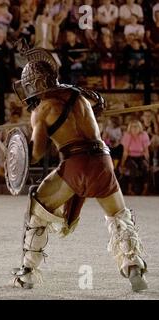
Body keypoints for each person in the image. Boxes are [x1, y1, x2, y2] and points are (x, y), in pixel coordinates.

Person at [9, 47, 147, 292]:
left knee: (38, 208)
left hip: (75, 164)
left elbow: (37, 152)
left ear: (36, 84)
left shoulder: (42, 110)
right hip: (103, 162)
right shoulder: (82, 97)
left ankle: (28, 272)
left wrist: (27, 140)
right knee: (119, 217)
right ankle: (133, 265)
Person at [120, 120, 151, 195]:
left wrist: (148, 162)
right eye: (133, 127)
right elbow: (125, 152)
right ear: (129, 128)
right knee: (133, 167)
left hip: (141, 156)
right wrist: (122, 164)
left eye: (136, 126)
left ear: (140, 127)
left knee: (145, 167)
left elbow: (146, 151)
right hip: (130, 157)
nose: (134, 128)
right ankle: (130, 189)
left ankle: (145, 189)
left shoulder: (144, 134)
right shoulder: (127, 135)